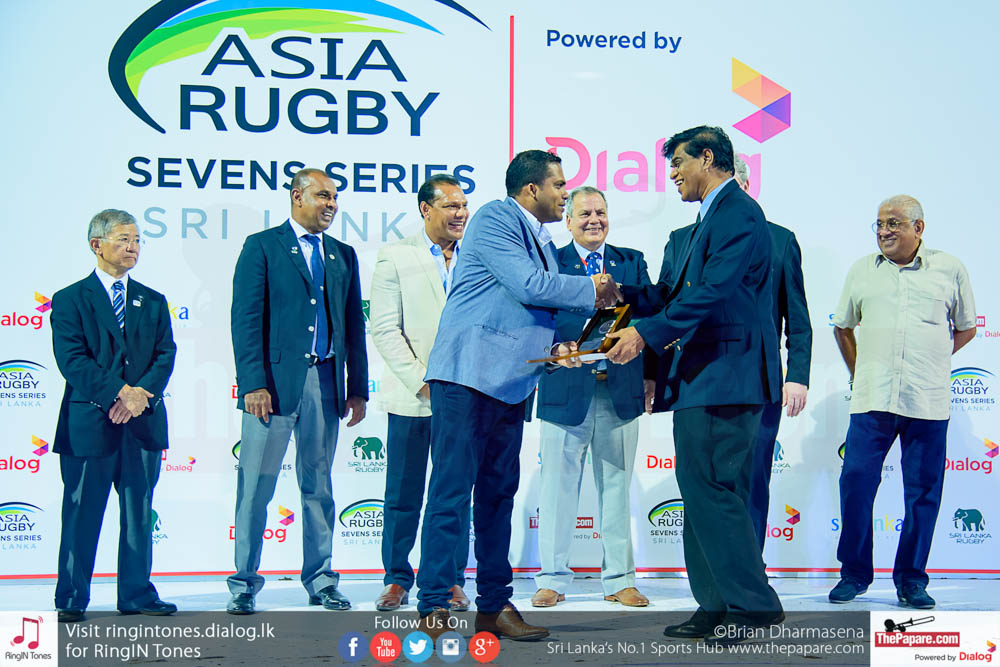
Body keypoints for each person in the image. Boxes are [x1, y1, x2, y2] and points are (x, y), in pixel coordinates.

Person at [415, 150, 621, 641]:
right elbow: (529, 286)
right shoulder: (495, 218)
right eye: (559, 186)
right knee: (450, 493)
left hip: (509, 383)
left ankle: (493, 606)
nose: (565, 194)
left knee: (497, 497)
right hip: (467, 376)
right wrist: (593, 287)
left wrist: (557, 348)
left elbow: (519, 308)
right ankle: (433, 604)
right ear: (532, 189)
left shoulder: (540, 238)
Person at [606, 126, 783, 643]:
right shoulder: (707, 218)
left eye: (679, 163)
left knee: (715, 490)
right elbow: (672, 292)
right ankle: (715, 603)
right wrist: (620, 294)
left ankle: (753, 606)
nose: (673, 174)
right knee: (702, 491)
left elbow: (711, 293)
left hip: (725, 376)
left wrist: (645, 334)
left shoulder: (738, 213)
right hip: (703, 377)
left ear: (708, 158)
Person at [228, 168, 368, 614]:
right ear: (296, 196)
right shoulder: (262, 246)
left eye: (335, 198)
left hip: (325, 384)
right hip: (271, 388)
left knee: (318, 487)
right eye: (323, 196)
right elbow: (245, 320)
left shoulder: (342, 254)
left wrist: (357, 387)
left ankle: (321, 580)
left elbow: (353, 326)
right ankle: (244, 583)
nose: (331, 204)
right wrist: (253, 383)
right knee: (255, 488)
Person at [829, 195, 976, 610]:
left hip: (927, 401)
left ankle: (911, 580)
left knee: (923, 494)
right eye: (878, 224)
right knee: (856, 483)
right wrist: (859, 371)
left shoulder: (950, 268)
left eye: (893, 223)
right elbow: (842, 327)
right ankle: (854, 574)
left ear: (918, 228)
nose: (884, 231)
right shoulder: (862, 270)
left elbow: (966, 328)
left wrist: (931, 360)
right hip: (872, 399)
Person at [51, 209, 177, 623]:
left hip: (142, 424)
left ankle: (137, 594)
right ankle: (72, 597)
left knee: (139, 514)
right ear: (97, 245)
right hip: (90, 425)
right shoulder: (70, 299)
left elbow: (165, 355)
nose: (133, 247)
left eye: (137, 240)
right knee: (82, 513)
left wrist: (140, 395)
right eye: (123, 239)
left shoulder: (153, 300)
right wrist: (120, 393)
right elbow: (72, 360)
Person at [532, 186, 653, 609]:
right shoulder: (550, 261)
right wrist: (554, 349)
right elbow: (533, 317)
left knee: (617, 488)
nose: (594, 220)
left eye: (600, 212)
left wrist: (651, 377)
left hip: (620, 390)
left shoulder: (632, 262)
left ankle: (620, 579)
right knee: (557, 490)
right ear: (567, 221)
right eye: (584, 213)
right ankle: (551, 579)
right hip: (564, 390)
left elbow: (651, 322)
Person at [369, 174, 471, 612]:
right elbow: (384, 328)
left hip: (465, 395)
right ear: (426, 209)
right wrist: (421, 380)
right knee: (403, 494)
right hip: (414, 395)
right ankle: (396, 578)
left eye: (463, 205)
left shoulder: (477, 255)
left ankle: (450, 579)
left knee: (455, 494)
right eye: (451, 205)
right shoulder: (396, 256)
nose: (461, 213)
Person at [733, 156, 813, 549]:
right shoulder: (689, 238)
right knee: (706, 481)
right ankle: (712, 571)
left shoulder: (781, 240)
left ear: (746, 187)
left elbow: (797, 318)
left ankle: (750, 569)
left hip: (762, 383)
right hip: (702, 382)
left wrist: (796, 376)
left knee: (754, 477)